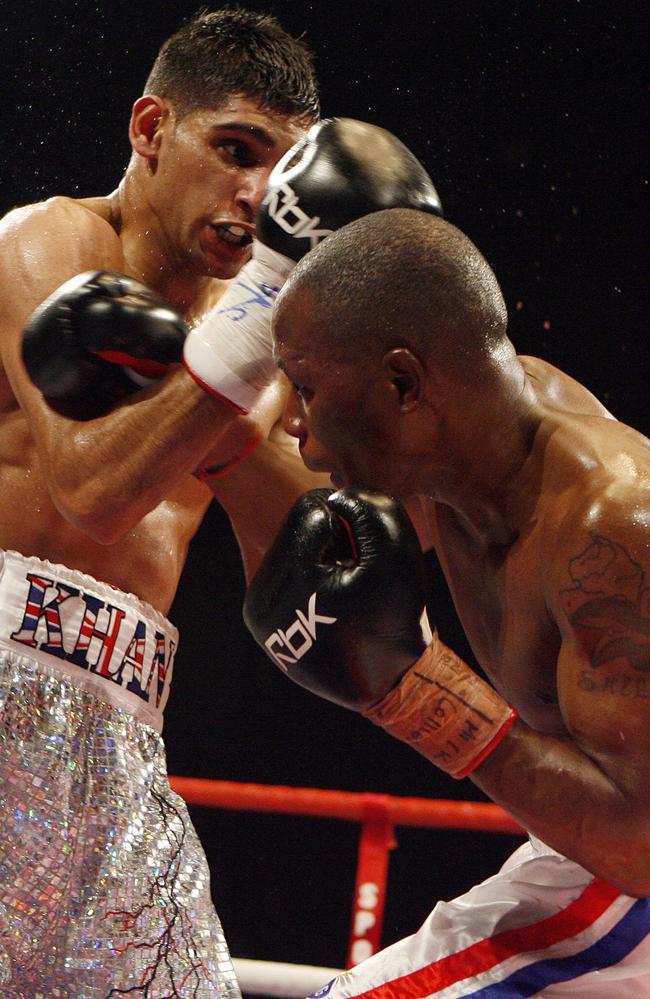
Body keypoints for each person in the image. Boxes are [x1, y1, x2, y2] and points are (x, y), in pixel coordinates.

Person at [0, 6, 445, 992]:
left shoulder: (253, 345)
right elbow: (90, 493)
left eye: (278, 174)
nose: (253, 195)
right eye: (231, 149)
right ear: (151, 129)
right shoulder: (51, 241)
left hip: (119, 734)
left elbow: (315, 568)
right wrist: (256, 325)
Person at [244, 207, 650, 997]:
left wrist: (419, 695)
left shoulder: (610, 525)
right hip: (592, 852)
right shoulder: (476, 444)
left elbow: (640, 846)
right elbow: (302, 541)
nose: (293, 423)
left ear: (401, 382)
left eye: (306, 388)